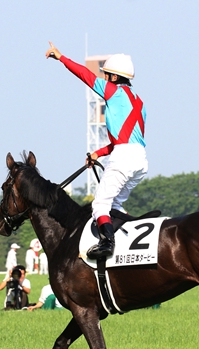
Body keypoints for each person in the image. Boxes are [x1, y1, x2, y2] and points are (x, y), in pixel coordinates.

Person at [46, 42, 148, 259]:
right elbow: (125, 140)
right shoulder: (139, 102)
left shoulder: (113, 92)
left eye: (107, 75)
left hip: (123, 157)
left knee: (100, 204)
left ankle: (107, 244)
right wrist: (97, 154)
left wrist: (61, 57)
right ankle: (128, 241)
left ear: (112, 77)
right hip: (140, 159)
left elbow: (85, 75)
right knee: (115, 204)